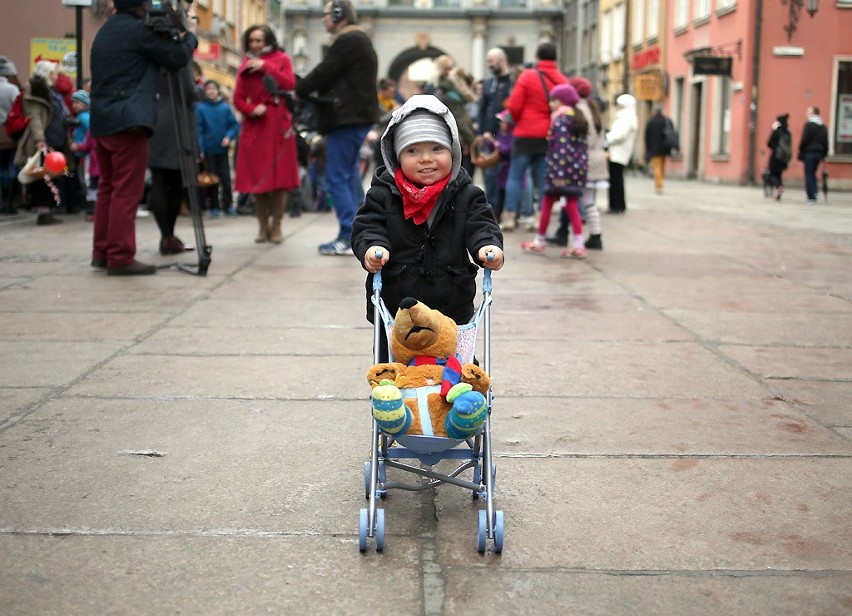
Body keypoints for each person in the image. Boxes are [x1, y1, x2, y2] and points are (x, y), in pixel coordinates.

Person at [351, 94, 504, 361]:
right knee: (393, 363)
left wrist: (487, 244)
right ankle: (392, 399)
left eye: (437, 149)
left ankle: (462, 396)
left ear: (453, 152)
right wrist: (372, 247)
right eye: (412, 151)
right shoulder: (383, 194)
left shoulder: (466, 194)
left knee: (458, 362)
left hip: (451, 302)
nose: (425, 159)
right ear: (396, 157)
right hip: (398, 305)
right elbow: (368, 225)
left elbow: (480, 222)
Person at [89, 0, 196, 275]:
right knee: (126, 190)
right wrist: (190, 37)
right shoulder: (139, 30)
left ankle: (102, 252)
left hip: (103, 118)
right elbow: (176, 58)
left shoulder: (106, 30)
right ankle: (120, 256)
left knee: (108, 188)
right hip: (129, 120)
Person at [295, 0, 378, 256]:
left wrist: (299, 89)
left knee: (337, 177)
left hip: (346, 117)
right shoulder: (358, 39)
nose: (323, 19)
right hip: (354, 116)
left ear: (339, 15)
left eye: (326, 14)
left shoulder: (348, 40)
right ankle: (365, 231)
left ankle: (347, 234)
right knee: (350, 174)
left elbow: (324, 71)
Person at [233, 25, 299, 244]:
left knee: (280, 178)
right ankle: (262, 226)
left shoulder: (282, 59)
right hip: (256, 127)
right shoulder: (244, 63)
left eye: (259, 40)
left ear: (268, 40)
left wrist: (265, 66)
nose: (255, 45)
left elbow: (290, 83)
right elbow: (238, 98)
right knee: (257, 179)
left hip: (279, 124)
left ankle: (277, 225)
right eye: (251, 41)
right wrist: (251, 109)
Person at [501, 42, 568, 231]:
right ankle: (540, 220)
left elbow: (514, 105)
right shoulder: (562, 79)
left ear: (537, 57)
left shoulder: (528, 76)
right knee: (542, 179)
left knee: (515, 177)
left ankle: (509, 217)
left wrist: (515, 120)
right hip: (549, 135)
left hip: (525, 134)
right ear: (555, 58)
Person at [519, 83, 588, 258]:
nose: (551, 104)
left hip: (560, 172)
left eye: (554, 100)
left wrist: (558, 174)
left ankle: (541, 241)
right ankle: (576, 243)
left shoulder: (562, 120)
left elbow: (561, 149)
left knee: (552, 202)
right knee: (566, 203)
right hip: (574, 172)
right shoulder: (575, 119)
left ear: (562, 101)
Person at [147, 52, 201, 256]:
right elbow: (188, 91)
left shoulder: (152, 51)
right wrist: (200, 92)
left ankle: (166, 236)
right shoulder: (180, 52)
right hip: (177, 120)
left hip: (156, 117)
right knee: (178, 180)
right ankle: (168, 237)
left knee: (159, 180)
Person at [14, 60, 69, 226]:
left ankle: (48, 211)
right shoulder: (36, 90)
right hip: (46, 140)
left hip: (56, 139)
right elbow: (35, 117)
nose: (56, 75)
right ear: (46, 73)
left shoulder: (50, 90)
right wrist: (39, 139)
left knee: (53, 177)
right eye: (53, 72)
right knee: (44, 179)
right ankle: (44, 212)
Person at [477, 47, 514, 211]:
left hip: (508, 136)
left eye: (491, 61)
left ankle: (510, 209)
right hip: (489, 137)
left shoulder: (512, 82)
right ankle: (492, 211)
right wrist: (482, 132)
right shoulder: (489, 84)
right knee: (491, 175)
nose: (489, 65)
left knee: (509, 175)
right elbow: (482, 108)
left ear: (501, 60)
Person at [196, 79, 240, 217]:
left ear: (218, 91)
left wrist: (228, 137)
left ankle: (228, 205)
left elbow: (235, 125)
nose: (211, 91)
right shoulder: (201, 108)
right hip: (209, 150)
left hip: (223, 150)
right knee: (212, 180)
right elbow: (199, 130)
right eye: (208, 89)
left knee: (226, 178)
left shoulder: (225, 108)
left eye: (213, 89)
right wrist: (201, 149)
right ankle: (214, 206)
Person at [605, 93, 637, 214]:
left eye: (618, 105)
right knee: (616, 180)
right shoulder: (627, 117)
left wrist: (605, 139)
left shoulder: (625, 118)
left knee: (616, 180)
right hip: (618, 153)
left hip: (618, 153)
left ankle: (616, 206)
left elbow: (618, 135)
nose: (616, 107)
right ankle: (617, 205)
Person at [0, 55, 21, 214]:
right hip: (10, 133)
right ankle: (9, 203)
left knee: (1, 168)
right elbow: (18, 109)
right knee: (12, 167)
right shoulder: (12, 89)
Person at [797, 106, 829, 203]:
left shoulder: (809, 125)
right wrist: (824, 153)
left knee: (809, 173)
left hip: (809, 152)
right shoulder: (823, 126)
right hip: (819, 153)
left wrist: (801, 150)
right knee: (813, 172)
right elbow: (826, 142)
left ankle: (811, 195)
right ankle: (814, 192)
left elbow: (804, 139)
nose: (806, 113)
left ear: (813, 113)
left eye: (808, 111)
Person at [644, 105, 673, 194]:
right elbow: (671, 134)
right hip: (665, 148)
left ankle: (659, 186)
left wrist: (648, 149)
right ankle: (660, 183)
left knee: (656, 167)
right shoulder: (667, 121)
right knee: (662, 167)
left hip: (654, 149)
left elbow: (647, 137)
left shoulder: (651, 122)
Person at [766, 113, 792, 201]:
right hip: (784, 158)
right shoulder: (788, 132)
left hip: (775, 156)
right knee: (779, 174)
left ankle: (778, 187)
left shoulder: (777, 130)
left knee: (771, 174)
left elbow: (769, 143)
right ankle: (778, 192)